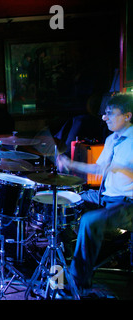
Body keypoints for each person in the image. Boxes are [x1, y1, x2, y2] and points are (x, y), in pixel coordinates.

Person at [57, 93, 133, 297]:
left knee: (90, 221)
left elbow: (118, 169)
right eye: (105, 113)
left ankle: (78, 282)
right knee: (61, 204)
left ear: (127, 115)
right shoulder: (111, 139)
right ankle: (60, 272)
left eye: (110, 113)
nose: (104, 118)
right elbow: (99, 168)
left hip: (128, 204)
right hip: (104, 196)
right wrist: (71, 164)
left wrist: (121, 169)